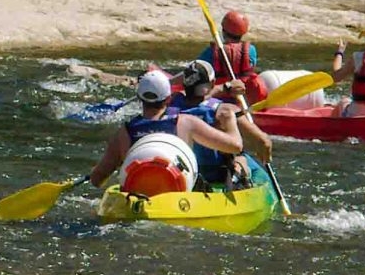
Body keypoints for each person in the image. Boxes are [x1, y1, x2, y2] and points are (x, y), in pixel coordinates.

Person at [89, 70, 245, 190]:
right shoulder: (185, 123)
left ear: (139, 98)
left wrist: (116, 162)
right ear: (169, 99)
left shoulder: (124, 132)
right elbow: (235, 146)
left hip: (136, 193)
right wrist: (230, 120)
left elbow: (97, 179)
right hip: (178, 194)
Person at [170, 60, 272, 187]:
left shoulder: (171, 102)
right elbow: (264, 142)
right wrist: (264, 154)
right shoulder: (224, 110)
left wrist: (225, 88)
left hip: (183, 173)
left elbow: (193, 99)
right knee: (243, 159)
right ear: (213, 83)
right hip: (216, 175)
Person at [198, 10, 267, 104]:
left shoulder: (212, 52)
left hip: (217, 97)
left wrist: (171, 81)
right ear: (243, 33)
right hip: (243, 98)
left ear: (223, 31)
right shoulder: (251, 50)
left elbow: (194, 70)